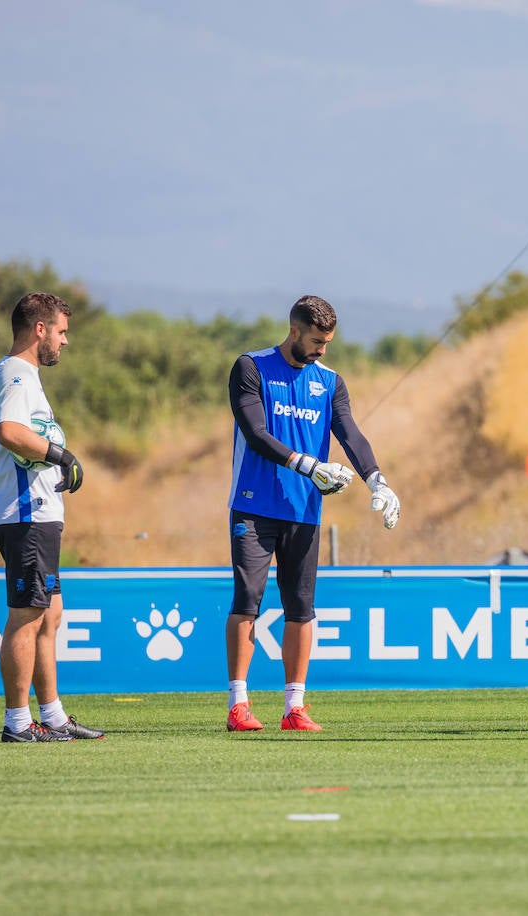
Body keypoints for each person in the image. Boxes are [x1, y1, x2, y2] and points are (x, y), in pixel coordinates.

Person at [224, 295, 401, 732]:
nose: (323, 349)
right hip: (253, 505)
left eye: (328, 342)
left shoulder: (330, 381)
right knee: (248, 601)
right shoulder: (251, 367)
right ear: (295, 330)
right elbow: (256, 432)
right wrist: (308, 464)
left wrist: (377, 480)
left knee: (301, 608)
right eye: (317, 340)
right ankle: (238, 704)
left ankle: (294, 708)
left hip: (304, 510)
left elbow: (350, 434)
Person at [0, 292, 103, 743]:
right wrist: (62, 454)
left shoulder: (13, 373)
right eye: (62, 331)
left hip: (33, 512)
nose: (66, 342)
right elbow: (10, 433)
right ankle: (17, 723)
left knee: (49, 615)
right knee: (27, 616)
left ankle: (52, 716)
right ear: (40, 329)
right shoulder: (16, 372)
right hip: (23, 511)